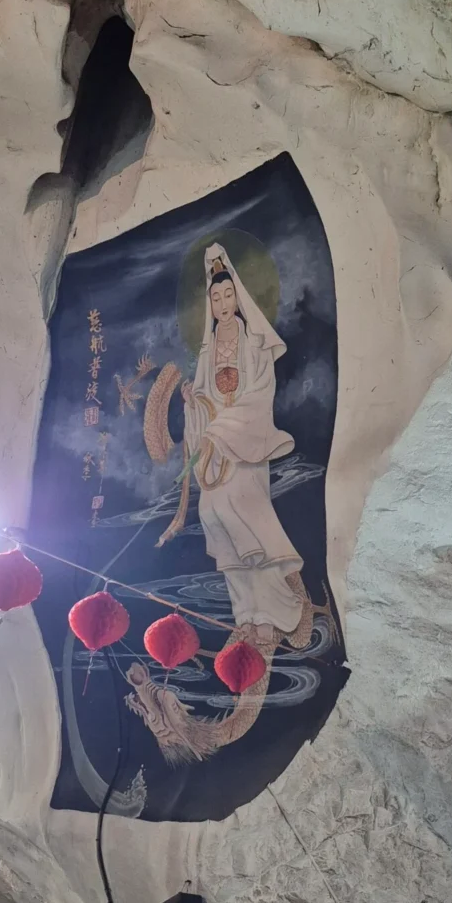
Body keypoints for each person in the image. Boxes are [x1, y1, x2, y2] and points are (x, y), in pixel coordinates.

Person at [178, 243, 304, 645]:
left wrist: (224, 428)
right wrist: (193, 404)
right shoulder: (208, 350)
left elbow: (260, 395)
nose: (222, 303)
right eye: (215, 297)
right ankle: (245, 613)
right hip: (215, 453)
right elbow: (204, 399)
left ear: (238, 296)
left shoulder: (254, 344)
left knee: (246, 517)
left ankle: (273, 611)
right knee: (212, 513)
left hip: (245, 445)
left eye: (228, 295)